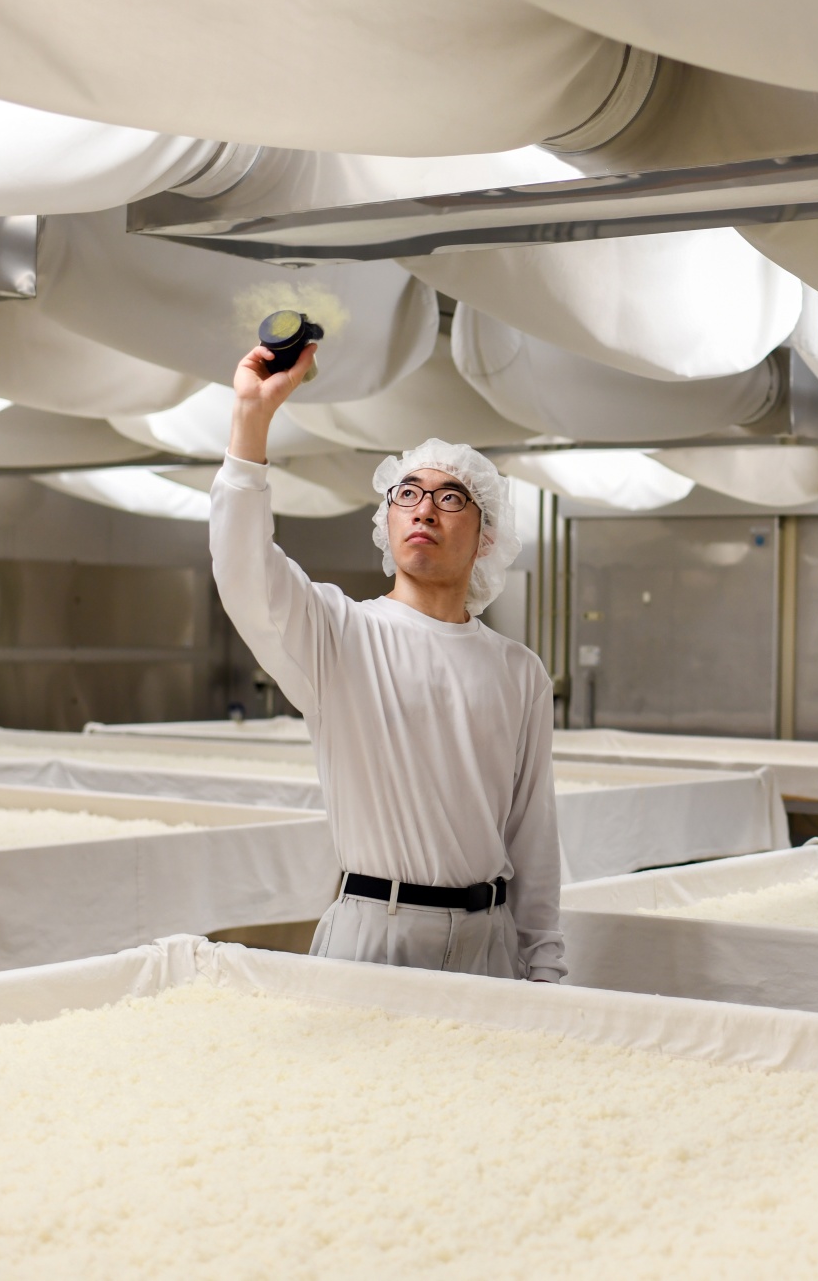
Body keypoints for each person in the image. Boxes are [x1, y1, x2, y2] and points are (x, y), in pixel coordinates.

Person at [209, 337, 564, 982]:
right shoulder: (341, 634)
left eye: (451, 496)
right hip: (374, 933)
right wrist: (251, 420)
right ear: (388, 520)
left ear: (487, 539)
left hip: (490, 941)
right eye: (408, 493)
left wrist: (544, 964)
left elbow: (533, 835)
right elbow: (243, 571)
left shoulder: (519, 672)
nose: (424, 507)